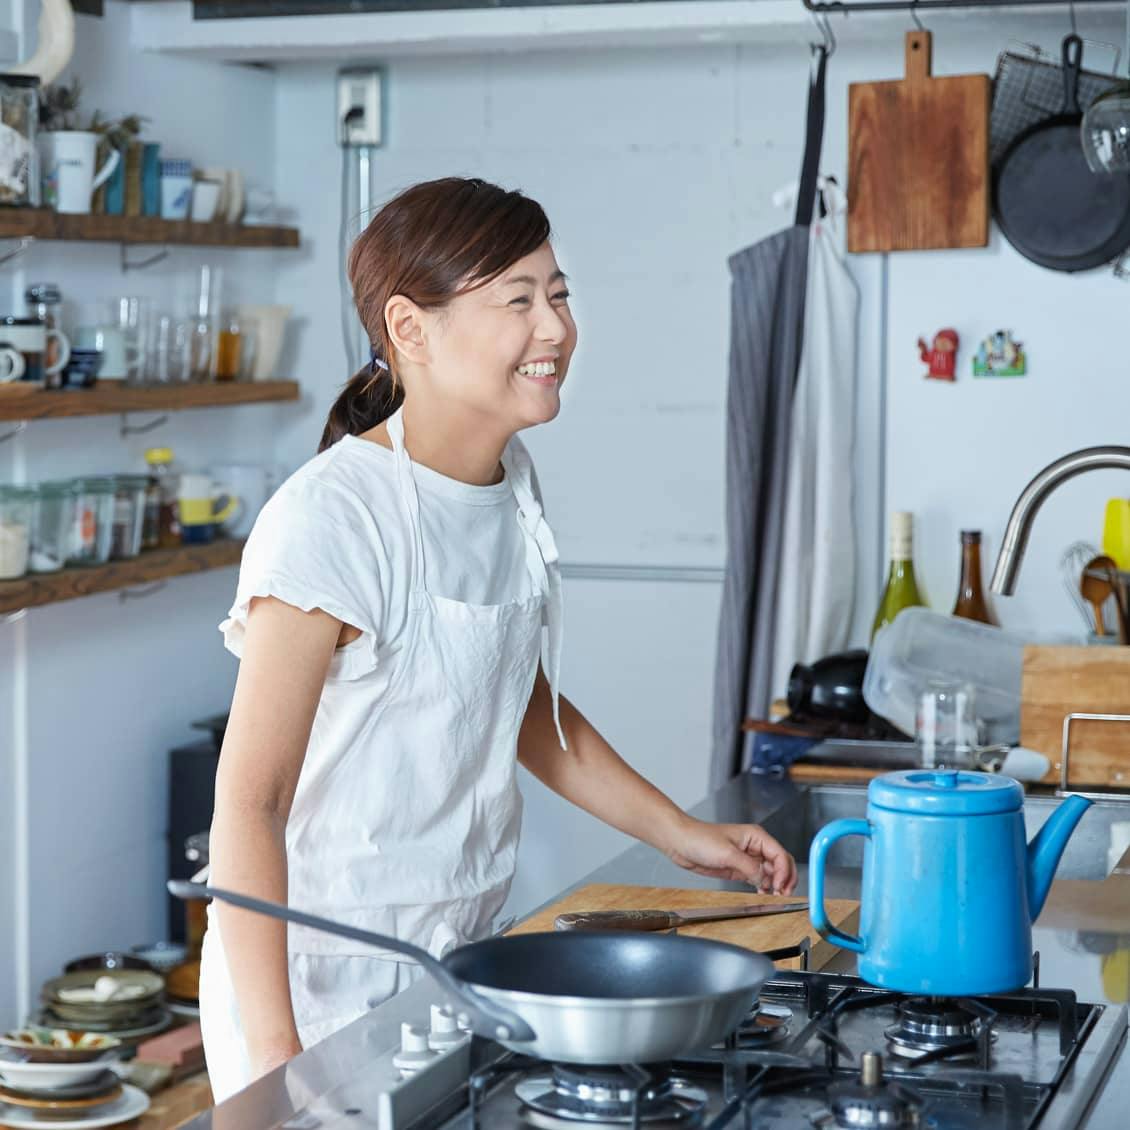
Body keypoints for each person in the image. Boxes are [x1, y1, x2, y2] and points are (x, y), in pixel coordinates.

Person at [198, 176, 798, 1103]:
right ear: (411, 330)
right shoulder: (331, 520)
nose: (554, 327)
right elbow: (250, 805)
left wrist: (687, 837)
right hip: (317, 980)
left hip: (458, 959)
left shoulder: (513, 484)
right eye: (517, 300)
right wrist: (281, 1058)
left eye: (557, 294)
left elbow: (519, 705)